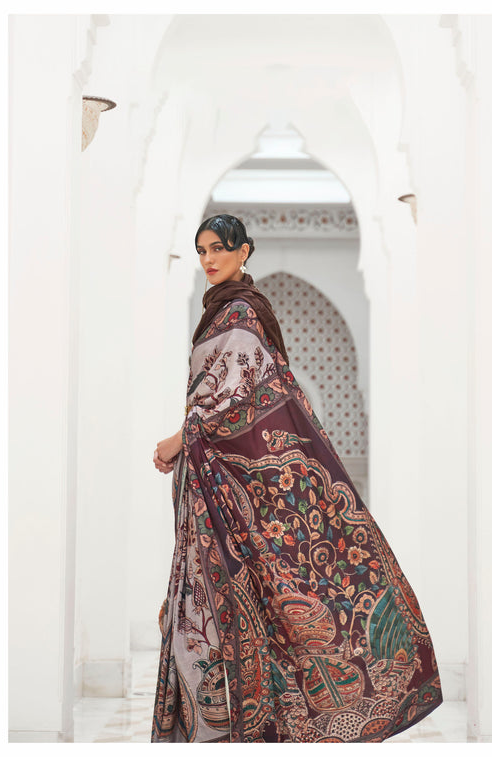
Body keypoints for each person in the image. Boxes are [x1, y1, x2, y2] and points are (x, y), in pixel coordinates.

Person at [150, 214, 442, 743]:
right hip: (210, 485)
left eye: (219, 248)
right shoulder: (220, 313)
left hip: (228, 482)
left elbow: (233, 402)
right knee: (207, 610)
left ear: (244, 251)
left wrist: (180, 437)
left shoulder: (241, 314)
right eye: (201, 251)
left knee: (256, 598)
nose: (209, 259)